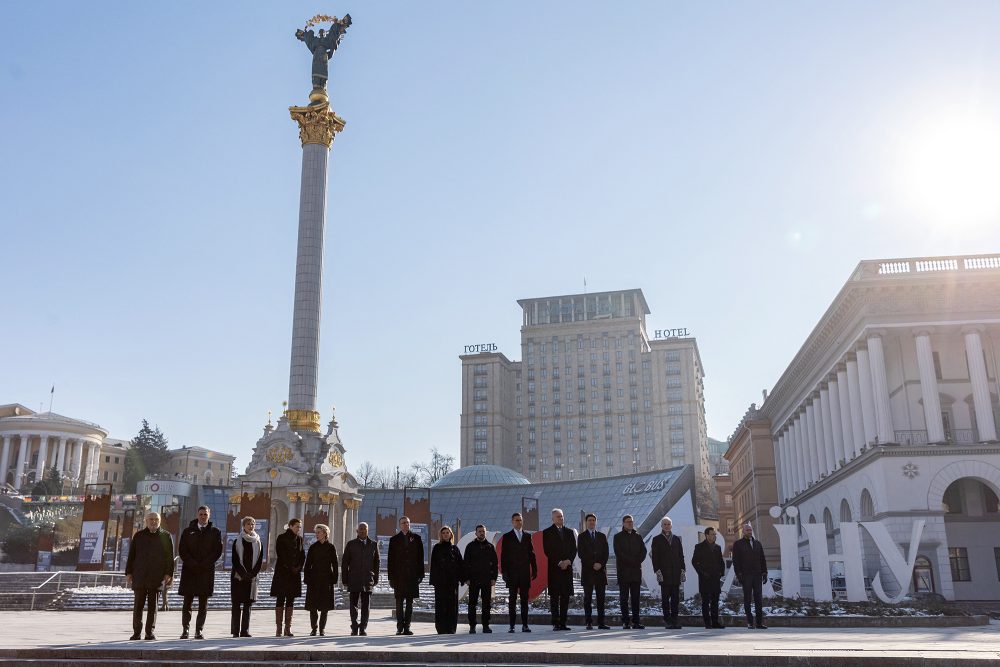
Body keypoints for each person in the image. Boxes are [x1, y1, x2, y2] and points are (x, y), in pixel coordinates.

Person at [125, 512, 174, 640]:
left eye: (156, 519)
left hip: (156, 577)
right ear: (146, 521)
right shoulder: (139, 536)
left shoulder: (166, 536)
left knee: (153, 607)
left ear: (160, 521)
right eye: (151, 519)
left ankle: (149, 632)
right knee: (138, 607)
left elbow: (169, 557)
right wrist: (129, 572)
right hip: (140, 575)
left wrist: (169, 573)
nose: (153, 521)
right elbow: (132, 555)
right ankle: (136, 632)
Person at [177, 505, 223, 639]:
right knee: (187, 603)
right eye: (201, 514)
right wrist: (192, 563)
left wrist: (204, 564)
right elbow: (182, 550)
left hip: (206, 571)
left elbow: (217, 551)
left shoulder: (215, 532)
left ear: (209, 515)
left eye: (205, 514)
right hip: (189, 571)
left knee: (203, 603)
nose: (203, 517)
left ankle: (199, 630)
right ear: (197, 515)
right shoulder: (187, 531)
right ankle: (185, 630)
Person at [499, 512, 537, 633]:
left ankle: (525, 625)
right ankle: (512, 625)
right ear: (512, 522)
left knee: (525, 600)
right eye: (516, 520)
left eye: (520, 520)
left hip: (524, 573)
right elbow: (503, 556)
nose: (519, 522)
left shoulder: (527, 536)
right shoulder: (507, 537)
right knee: (513, 600)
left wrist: (534, 569)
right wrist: (504, 573)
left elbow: (532, 554)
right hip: (512, 574)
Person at [341, 521, 379, 636]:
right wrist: (345, 579)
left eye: (365, 529)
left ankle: (363, 627)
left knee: (366, 606)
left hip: (367, 579)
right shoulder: (351, 544)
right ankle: (354, 626)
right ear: (357, 531)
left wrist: (375, 578)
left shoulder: (373, 544)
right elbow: (345, 563)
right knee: (353, 604)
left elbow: (377, 562)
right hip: (354, 579)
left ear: (368, 530)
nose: (363, 531)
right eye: (361, 529)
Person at [387, 516, 424, 636]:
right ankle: (399, 627)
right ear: (400, 525)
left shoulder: (417, 538)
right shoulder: (394, 540)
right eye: (403, 523)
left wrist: (421, 574)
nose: (406, 524)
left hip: (412, 576)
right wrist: (390, 578)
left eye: (408, 522)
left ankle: (407, 627)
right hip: (398, 577)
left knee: (409, 603)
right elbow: (390, 561)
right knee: (399, 602)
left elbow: (420, 558)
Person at [541, 508, 576, 631]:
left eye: (561, 516)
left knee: (565, 596)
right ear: (552, 518)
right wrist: (560, 562)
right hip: (555, 569)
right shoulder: (547, 532)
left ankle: (563, 622)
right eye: (558, 517)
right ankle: (555, 622)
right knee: (555, 597)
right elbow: (548, 550)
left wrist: (568, 561)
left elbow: (573, 549)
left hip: (567, 569)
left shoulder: (570, 532)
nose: (560, 518)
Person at [270, 518, 305, 637]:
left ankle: (287, 629)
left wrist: (299, 567)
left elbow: (302, 555)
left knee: (291, 600)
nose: (298, 529)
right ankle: (278, 629)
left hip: (294, 574)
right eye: (296, 526)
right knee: (280, 599)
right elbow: (281, 554)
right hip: (283, 573)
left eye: (299, 527)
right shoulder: (281, 538)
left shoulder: (300, 539)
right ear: (290, 526)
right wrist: (290, 567)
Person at [650, 516, 686, 630]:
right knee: (665, 599)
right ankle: (667, 620)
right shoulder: (656, 539)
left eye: (668, 524)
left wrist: (683, 569)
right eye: (664, 524)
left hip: (675, 573)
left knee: (675, 599)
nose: (666, 526)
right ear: (661, 526)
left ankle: (675, 620)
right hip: (664, 574)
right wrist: (657, 571)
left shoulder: (676, 539)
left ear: (671, 525)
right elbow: (655, 557)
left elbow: (681, 555)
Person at [230, 516, 263, 638]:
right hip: (238, 578)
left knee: (248, 605)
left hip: (251, 579)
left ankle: (245, 630)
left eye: (253, 524)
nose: (251, 526)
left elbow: (259, 560)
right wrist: (243, 574)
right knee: (236, 605)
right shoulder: (237, 541)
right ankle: (235, 630)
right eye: (249, 524)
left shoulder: (258, 541)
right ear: (243, 526)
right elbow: (235, 560)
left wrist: (252, 574)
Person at [612, 514, 647, 630]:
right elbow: (619, 553)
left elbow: (643, 551)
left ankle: (636, 622)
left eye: (631, 522)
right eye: (627, 522)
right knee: (624, 598)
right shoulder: (617, 537)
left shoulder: (638, 537)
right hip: (624, 572)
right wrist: (632, 561)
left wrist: (636, 561)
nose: (630, 523)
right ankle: (626, 622)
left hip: (636, 572)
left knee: (636, 598)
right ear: (623, 523)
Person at [303, 523, 338, 636]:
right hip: (314, 580)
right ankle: (314, 628)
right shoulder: (313, 547)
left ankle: (322, 629)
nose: (316, 534)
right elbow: (307, 565)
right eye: (316, 532)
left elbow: (335, 565)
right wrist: (307, 578)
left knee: (325, 606)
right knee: (313, 606)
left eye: (319, 532)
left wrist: (334, 578)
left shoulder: (331, 547)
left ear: (325, 533)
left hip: (326, 579)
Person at [732, 522, 768, 629]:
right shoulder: (738, 544)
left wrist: (764, 572)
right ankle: (750, 622)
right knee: (747, 599)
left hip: (757, 575)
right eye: (747, 530)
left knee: (758, 599)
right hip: (746, 576)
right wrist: (739, 575)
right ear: (743, 531)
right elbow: (736, 561)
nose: (750, 532)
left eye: (751, 530)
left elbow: (762, 559)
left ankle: (759, 623)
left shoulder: (758, 543)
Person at [429, 525, 465, 634]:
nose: (445, 534)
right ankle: (441, 628)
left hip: (452, 582)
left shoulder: (455, 549)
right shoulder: (437, 548)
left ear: (451, 535)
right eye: (443, 533)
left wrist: (462, 579)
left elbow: (460, 565)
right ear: (441, 535)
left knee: (452, 605)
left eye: (447, 533)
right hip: (440, 582)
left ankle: (451, 628)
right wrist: (434, 581)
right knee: (441, 605)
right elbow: (433, 566)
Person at [577, 513, 610, 630]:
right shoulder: (581, 537)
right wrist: (592, 564)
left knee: (601, 599)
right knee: (588, 599)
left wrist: (600, 564)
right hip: (588, 571)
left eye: (593, 520)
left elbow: (606, 553)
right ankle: (589, 622)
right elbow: (581, 553)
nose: (591, 522)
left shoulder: (602, 536)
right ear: (586, 522)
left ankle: (601, 622)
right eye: (589, 520)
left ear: (596, 522)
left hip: (600, 571)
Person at [464, 523, 498, 634]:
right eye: (480, 531)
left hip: (487, 580)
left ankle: (486, 626)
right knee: (472, 603)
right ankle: (472, 626)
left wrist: (494, 578)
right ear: (476, 533)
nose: (482, 533)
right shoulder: (470, 546)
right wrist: (467, 578)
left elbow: (495, 564)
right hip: (473, 580)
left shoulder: (490, 547)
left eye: (483, 531)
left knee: (486, 604)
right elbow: (466, 563)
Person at [691, 526, 726, 629]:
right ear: (706, 535)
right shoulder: (699, 547)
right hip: (704, 578)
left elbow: (721, 561)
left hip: (715, 578)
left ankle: (715, 622)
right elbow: (694, 562)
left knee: (715, 601)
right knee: (705, 602)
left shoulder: (718, 547)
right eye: (712, 534)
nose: (715, 536)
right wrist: (702, 573)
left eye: (715, 534)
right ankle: (707, 623)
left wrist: (721, 572)